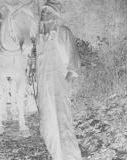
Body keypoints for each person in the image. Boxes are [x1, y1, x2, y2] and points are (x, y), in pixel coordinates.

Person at [36, 0, 83, 159]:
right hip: (43, 90)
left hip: (59, 88)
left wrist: (64, 83)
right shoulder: (39, 39)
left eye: (48, 11)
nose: (44, 13)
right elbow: (38, 68)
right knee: (47, 128)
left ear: (56, 15)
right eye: (43, 10)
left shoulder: (63, 32)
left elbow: (74, 61)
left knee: (63, 126)